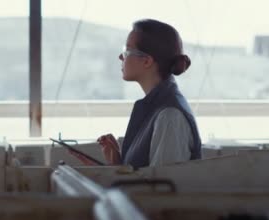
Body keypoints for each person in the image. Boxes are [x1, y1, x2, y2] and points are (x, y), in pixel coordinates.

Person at [73, 19, 202, 168]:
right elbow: (146, 180)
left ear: (147, 61)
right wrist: (116, 166)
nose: (121, 57)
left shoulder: (170, 116)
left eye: (127, 50)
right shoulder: (156, 106)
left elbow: (161, 187)